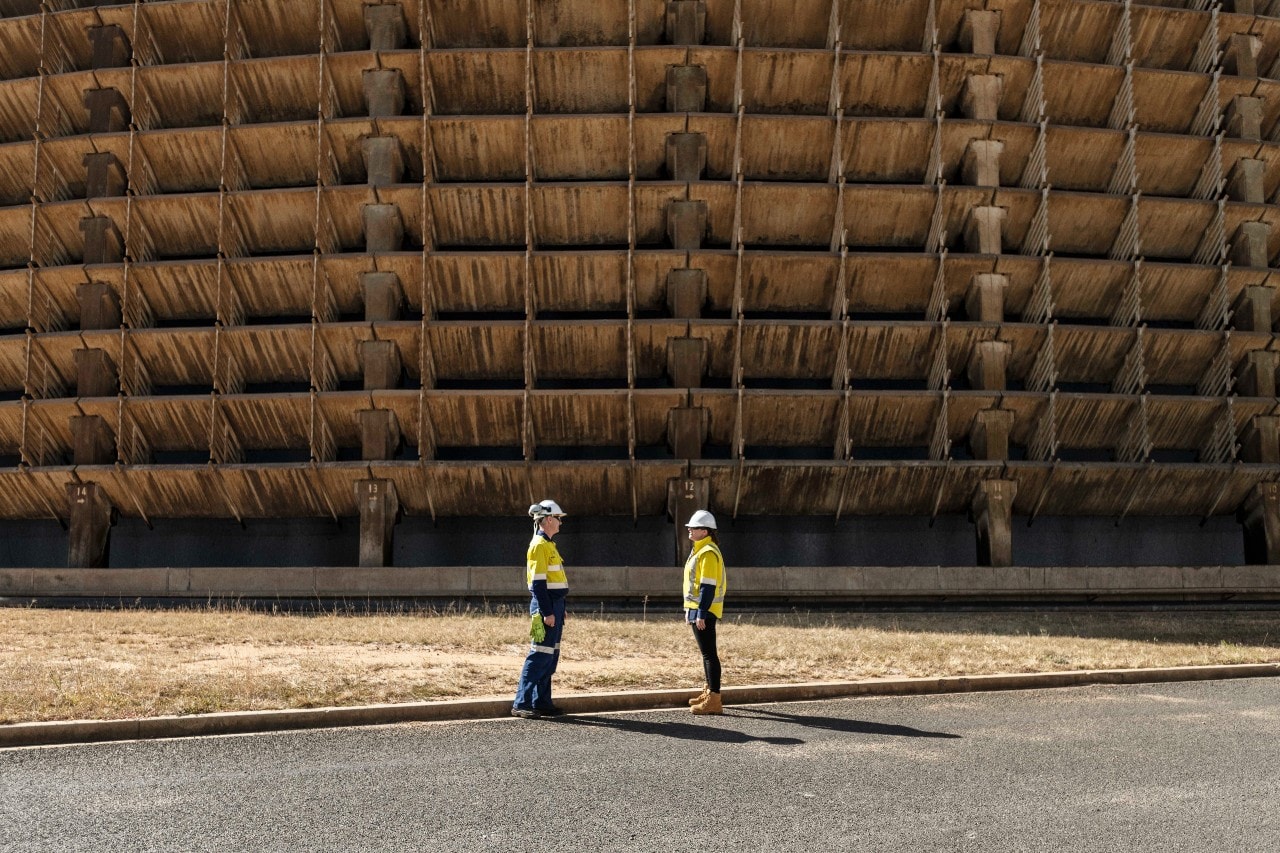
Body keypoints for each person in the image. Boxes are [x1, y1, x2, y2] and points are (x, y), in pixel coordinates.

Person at [512, 499, 569, 719]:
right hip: (546, 606)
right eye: (558, 519)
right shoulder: (539, 545)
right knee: (539, 655)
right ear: (548, 519)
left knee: (550, 656)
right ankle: (522, 703)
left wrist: (560, 607)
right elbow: (538, 584)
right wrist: (547, 612)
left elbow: (554, 581)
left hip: (555, 605)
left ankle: (542, 702)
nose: (560, 523)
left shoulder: (548, 544)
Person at [683, 509, 727, 715]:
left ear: (705, 531)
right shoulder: (699, 550)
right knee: (706, 653)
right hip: (698, 608)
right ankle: (710, 691)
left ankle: (714, 700)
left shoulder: (708, 552)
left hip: (705, 610)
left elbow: (707, 587)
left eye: (694, 527)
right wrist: (689, 609)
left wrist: (701, 612)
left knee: (710, 654)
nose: (689, 530)